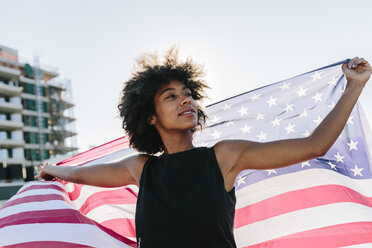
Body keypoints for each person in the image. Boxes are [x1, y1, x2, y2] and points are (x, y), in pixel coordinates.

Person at [36, 48, 371, 248]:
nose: (186, 99)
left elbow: (315, 145)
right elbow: (83, 174)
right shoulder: (141, 168)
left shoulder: (224, 156)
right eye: (171, 96)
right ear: (150, 117)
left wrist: (353, 87)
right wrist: (56, 172)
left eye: (188, 93)